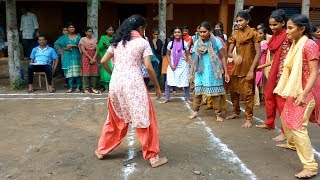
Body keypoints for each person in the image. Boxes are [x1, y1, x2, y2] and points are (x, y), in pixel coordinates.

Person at [95, 14, 168, 168]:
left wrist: (113, 72)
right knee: (145, 119)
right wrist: (157, 86)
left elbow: (102, 61)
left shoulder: (117, 42)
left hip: (115, 84)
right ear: (141, 28)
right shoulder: (142, 42)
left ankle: (102, 150)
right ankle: (153, 157)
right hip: (134, 85)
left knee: (115, 118)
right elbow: (148, 66)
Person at [274, 14, 320, 179]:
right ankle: (293, 144)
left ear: (302, 29)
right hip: (296, 89)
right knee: (288, 120)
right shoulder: (295, 43)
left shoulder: (309, 45)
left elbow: (314, 72)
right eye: (287, 27)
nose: (287, 31)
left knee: (299, 126)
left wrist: (304, 94)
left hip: (306, 91)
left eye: (290, 28)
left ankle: (310, 166)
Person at [255, 10, 290, 142]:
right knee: (269, 95)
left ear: (283, 23)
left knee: (281, 102)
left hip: (284, 73)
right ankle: (269, 122)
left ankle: (284, 131)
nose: (272, 27)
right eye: (270, 25)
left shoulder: (288, 36)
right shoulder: (274, 37)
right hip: (274, 71)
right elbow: (275, 58)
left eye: (275, 25)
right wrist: (264, 66)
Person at [188, 22, 229, 121]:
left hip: (213, 71)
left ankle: (218, 114)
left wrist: (226, 72)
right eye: (200, 32)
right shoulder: (197, 42)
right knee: (197, 93)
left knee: (215, 94)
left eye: (204, 32)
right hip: (200, 71)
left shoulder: (216, 42)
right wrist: (192, 72)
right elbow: (195, 58)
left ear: (210, 31)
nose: (202, 34)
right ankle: (195, 111)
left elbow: (223, 57)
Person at [227, 11, 262, 128]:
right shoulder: (235, 35)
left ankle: (249, 118)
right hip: (237, 67)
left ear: (247, 21)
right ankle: (236, 111)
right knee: (233, 91)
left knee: (248, 94)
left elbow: (258, 53)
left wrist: (252, 69)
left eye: (241, 20)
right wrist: (234, 56)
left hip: (248, 67)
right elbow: (229, 52)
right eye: (237, 21)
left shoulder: (254, 33)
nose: (239, 23)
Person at [162, 26, 192, 103]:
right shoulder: (170, 44)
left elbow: (188, 55)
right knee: (168, 81)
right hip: (172, 65)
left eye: (179, 32)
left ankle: (187, 98)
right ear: (173, 34)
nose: (177, 34)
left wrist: (192, 64)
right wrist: (171, 65)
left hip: (183, 65)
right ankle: (167, 98)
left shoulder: (185, 44)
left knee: (185, 82)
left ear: (181, 33)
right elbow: (167, 55)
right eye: (175, 32)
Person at [54, 23, 82, 93]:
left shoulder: (79, 37)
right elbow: (56, 44)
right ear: (67, 29)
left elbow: (82, 46)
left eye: (73, 27)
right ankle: (71, 87)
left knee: (77, 73)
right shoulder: (63, 37)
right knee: (70, 74)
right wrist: (63, 49)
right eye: (70, 27)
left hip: (77, 57)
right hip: (67, 57)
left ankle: (78, 87)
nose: (71, 28)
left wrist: (75, 45)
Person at [79, 27, 100, 94]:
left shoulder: (94, 40)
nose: (90, 33)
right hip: (86, 57)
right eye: (88, 31)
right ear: (85, 32)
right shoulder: (83, 39)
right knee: (86, 72)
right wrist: (90, 58)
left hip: (94, 56)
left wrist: (94, 58)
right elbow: (83, 50)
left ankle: (93, 87)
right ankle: (85, 88)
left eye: (91, 31)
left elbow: (97, 49)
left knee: (94, 72)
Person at [254, 26, 268, 109]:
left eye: (261, 33)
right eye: (258, 33)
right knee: (257, 83)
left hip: (262, 64)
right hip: (256, 63)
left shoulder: (265, 43)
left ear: (264, 34)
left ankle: (257, 102)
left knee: (256, 82)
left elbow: (259, 52)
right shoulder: (257, 43)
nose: (259, 35)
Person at [97, 25, 115, 91]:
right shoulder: (103, 37)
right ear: (106, 31)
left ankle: (112, 86)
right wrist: (103, 44)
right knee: (105, 70)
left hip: (113, 56)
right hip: (105, 56)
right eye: (109, 30)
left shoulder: (115, 37)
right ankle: (106, 87)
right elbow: (99, 48)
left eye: (112, 30)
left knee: (113, 69)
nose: (111, 31)